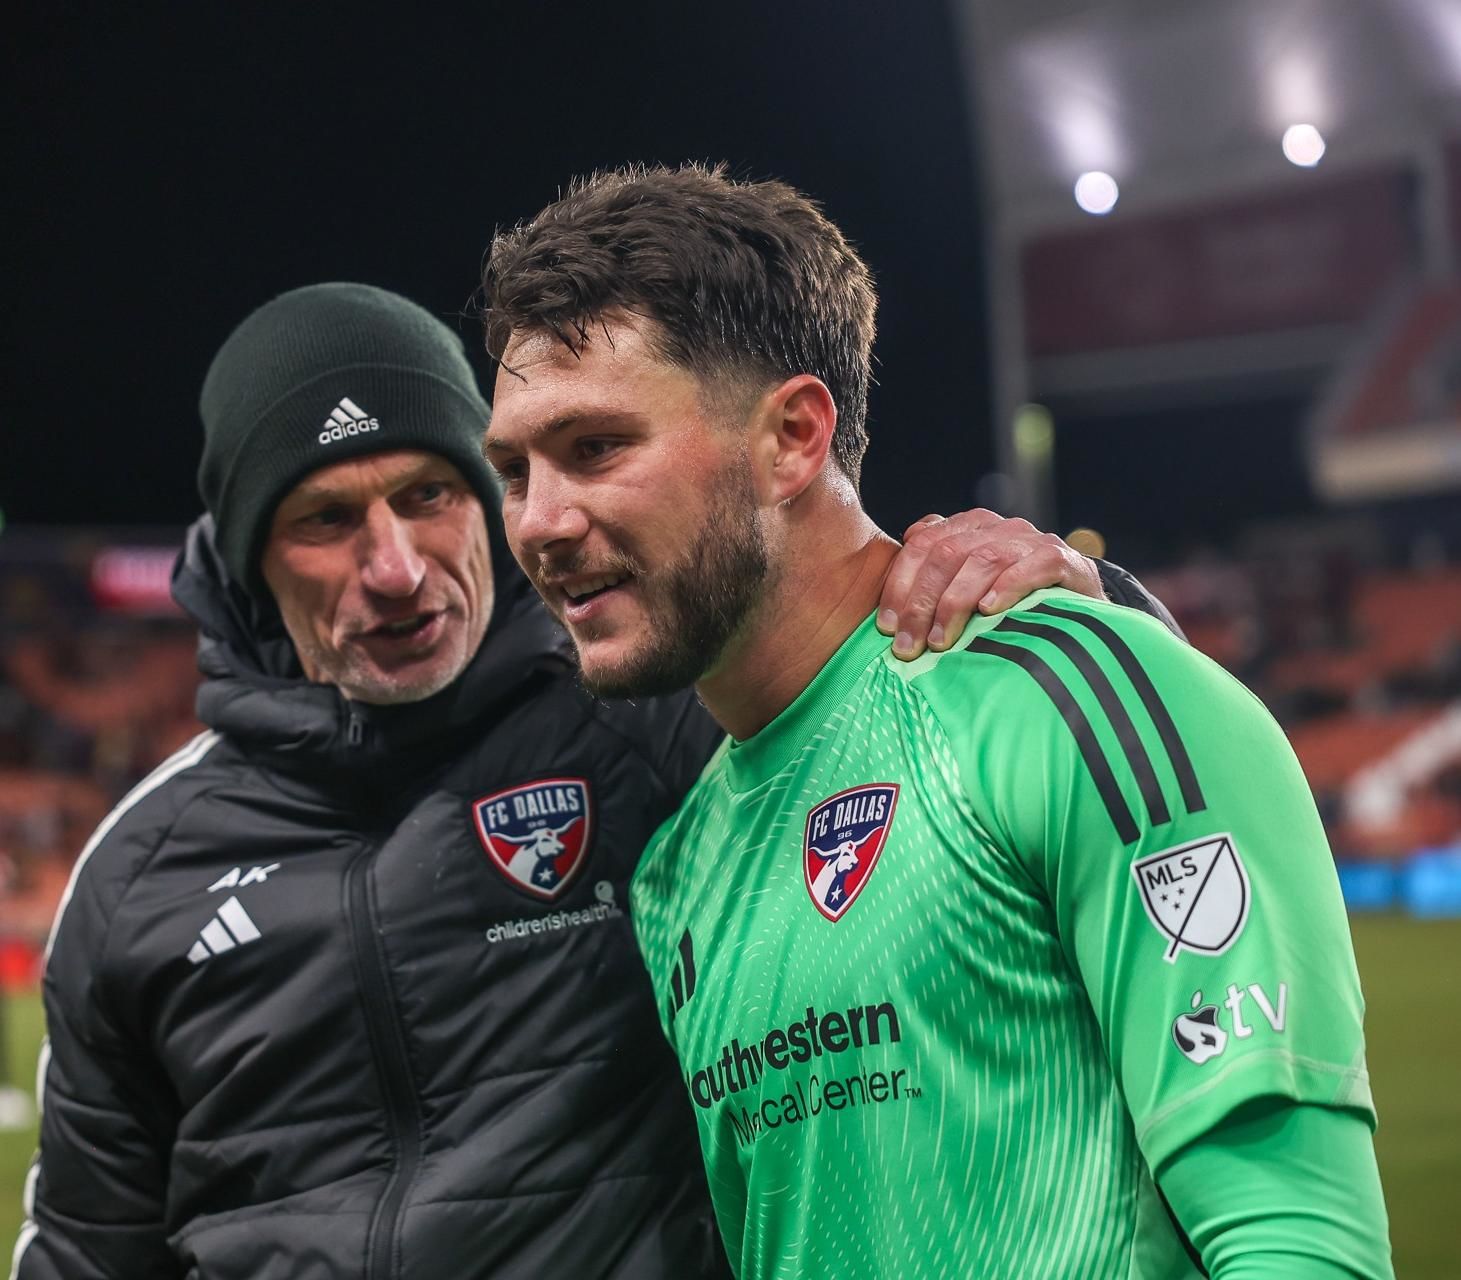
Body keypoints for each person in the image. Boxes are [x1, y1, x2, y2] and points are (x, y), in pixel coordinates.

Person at [12, 283, 1165, 1279]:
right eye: (326, 518)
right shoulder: (137, 874)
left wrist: (1081, 596)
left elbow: (973, 720)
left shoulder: (656, 715)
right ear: (247, 558)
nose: (397, 568)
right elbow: (85, 1249)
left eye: (429, 493)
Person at [481, 165, 1395, 1280]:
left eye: (595, 447)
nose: (539, 521)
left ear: (794, 436)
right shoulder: (678, 870)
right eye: (513, 469)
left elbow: (1297, 1240)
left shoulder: (1066, 698)